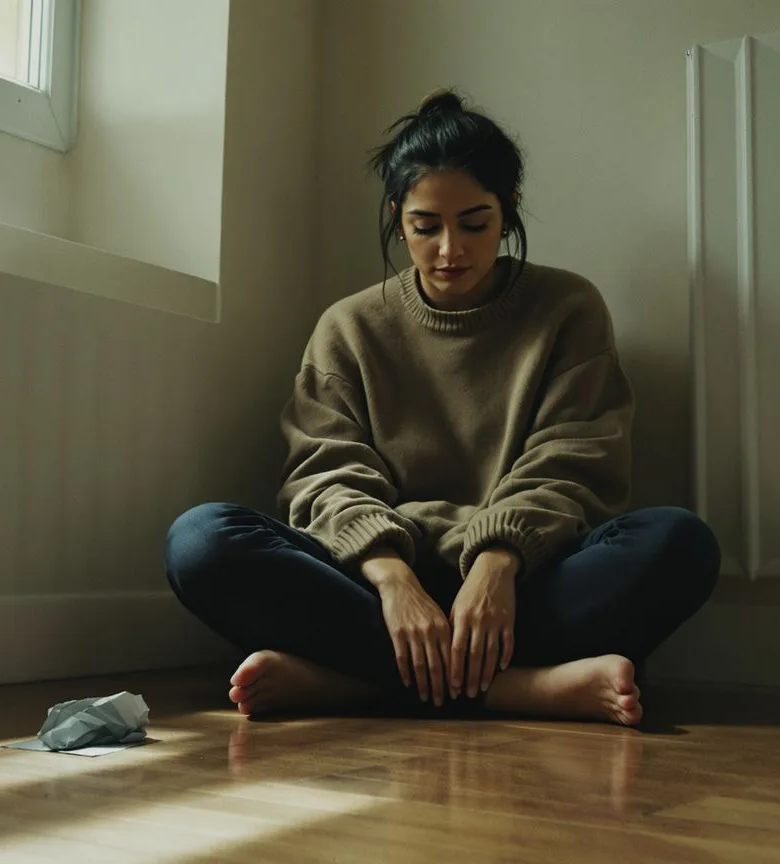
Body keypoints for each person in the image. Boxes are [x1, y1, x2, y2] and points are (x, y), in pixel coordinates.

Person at [165, 90, 720, 727]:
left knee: (680, 542)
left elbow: (573, 462)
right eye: (426, 227)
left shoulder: (567, 308)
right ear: (398, 216)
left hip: (521, 583)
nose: (450, 249)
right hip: (375, 586)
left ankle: (353, 684)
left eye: (475, 223)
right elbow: (327, 470)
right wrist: (395, 581)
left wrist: (496, 565)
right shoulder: (348, 326)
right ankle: (525, 690)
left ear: (508, 209)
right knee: (201, 540)